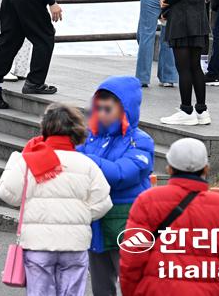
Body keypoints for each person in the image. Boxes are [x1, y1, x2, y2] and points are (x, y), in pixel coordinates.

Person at [0, 103, 113, 296]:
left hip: (38, 244)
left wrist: (15, 160)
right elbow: (103, 202)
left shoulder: (29, 160)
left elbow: (8, 193)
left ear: (45, 127)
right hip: (75, 244)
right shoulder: (87, 164)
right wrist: (81, 216)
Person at [120, 138, 219, 296]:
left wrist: (131, 291)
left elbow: (132, 256)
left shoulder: (147, 200)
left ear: (169, 168)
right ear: (206, 169)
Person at [76, 76, 154, 296]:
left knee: (134, 285)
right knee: (100, 287)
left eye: (107, 109)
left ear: (124, 110)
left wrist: (85, 161)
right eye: (98, 108)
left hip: (128, 221)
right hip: (96, 221)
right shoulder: (91, 137)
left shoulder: (140, 140)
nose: (101, 113)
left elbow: (123, 174)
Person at [159, 0, 213, 126]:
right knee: (195, 67)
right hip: (198, 21)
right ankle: (202, 110)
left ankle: (186, 110)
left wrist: (164, 0)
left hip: (182, 22)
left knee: (184, 68)